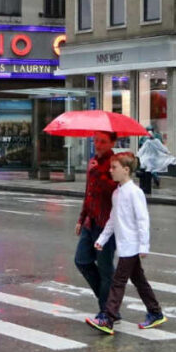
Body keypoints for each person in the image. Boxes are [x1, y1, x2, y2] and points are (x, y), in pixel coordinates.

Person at [86, 151, 166, 334]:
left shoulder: (135, 193)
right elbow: (113, 220)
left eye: (114, 168)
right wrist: (102, 239)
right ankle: (155, 312)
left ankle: (108, 318)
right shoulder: (117, 193)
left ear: (126, 170)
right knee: (139, 280)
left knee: (118, 282)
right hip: (124, 245)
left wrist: (144, 246)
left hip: (131, 245)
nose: (111, 171)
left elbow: (143, 220)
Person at [74, 131, 118, 320]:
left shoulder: (115, 163)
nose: (98, 145)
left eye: (103, 141)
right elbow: (89, 193)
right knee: (81, 260)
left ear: (112, 142)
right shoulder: (93, 161)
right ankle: (109, 303)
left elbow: (113, 190)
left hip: (107, 224)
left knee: (105, 268)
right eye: (96, 141)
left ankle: (107, 310)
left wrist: (97, 172)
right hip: (90, 222)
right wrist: (81, 218)